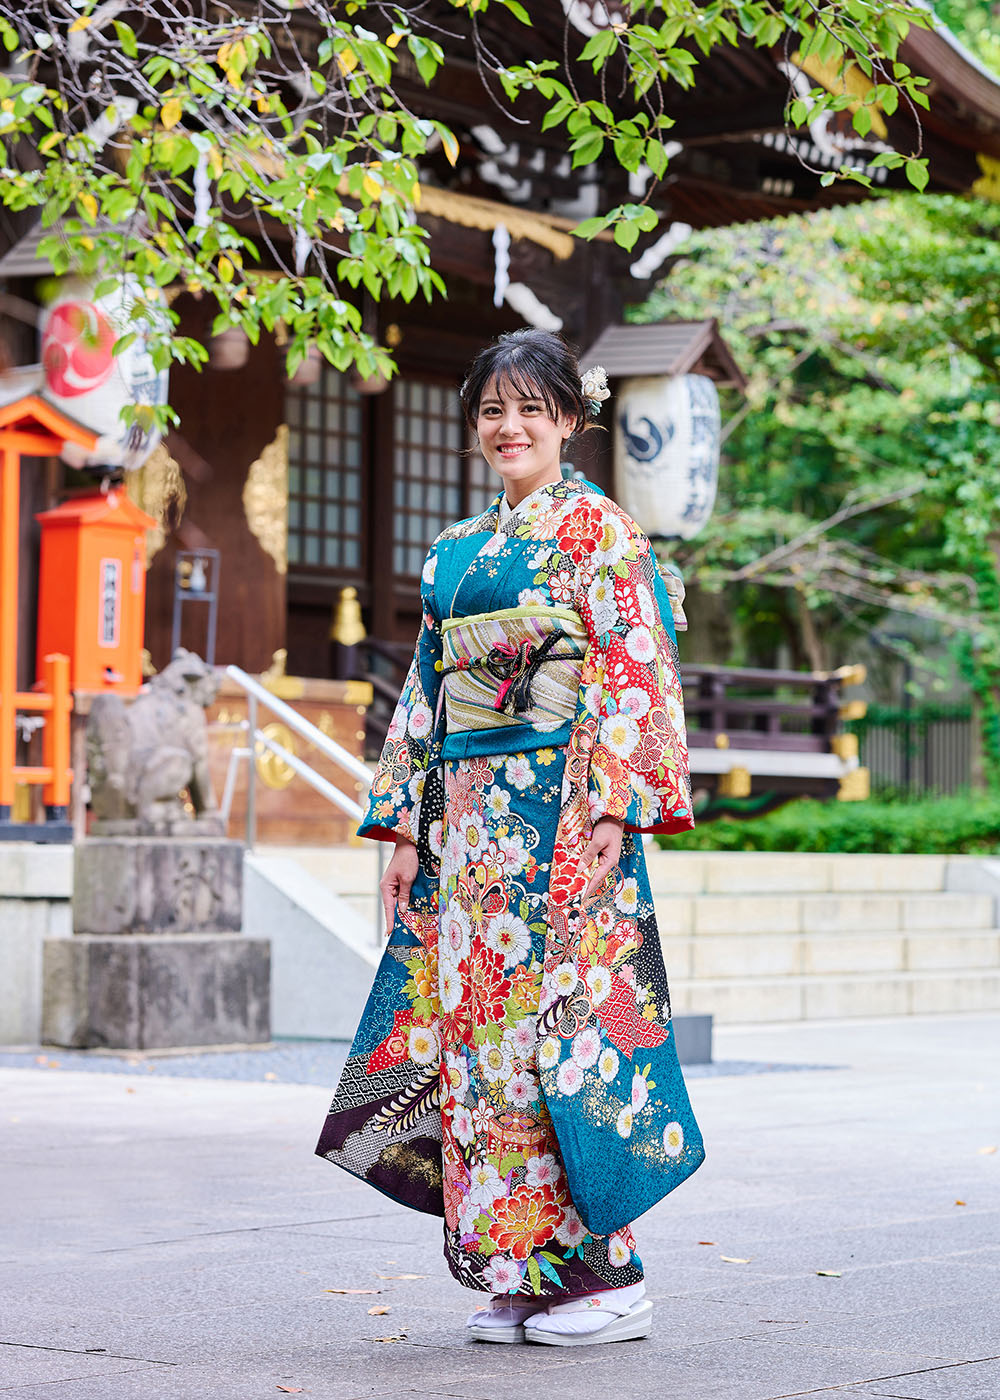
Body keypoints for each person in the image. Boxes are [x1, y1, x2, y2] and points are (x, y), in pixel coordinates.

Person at [316, 329, 704, 1347]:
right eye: (493, 409)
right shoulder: (454, 551)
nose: (509, 427)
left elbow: (633, 664)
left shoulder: (600, 533)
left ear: (570, 419)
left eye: (532, 408)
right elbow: (424, 698)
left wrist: (618, 802)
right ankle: (525, 1267)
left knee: (561, 1037)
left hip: (566, 816)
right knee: (479, 1042)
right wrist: (405, 821)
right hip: (472, 832)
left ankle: (608, 1273)